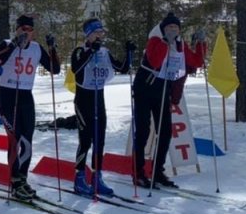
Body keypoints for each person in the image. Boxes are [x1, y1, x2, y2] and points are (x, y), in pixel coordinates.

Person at [0, 14, 61, 201]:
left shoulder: (36, 48)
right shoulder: (7, 44)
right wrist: (14, 45)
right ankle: (14, 183)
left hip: (26, 97)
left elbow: (55, 68)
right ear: (17, 30)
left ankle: (22, 179)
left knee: (27, 141)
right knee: (14, 140)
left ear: (33, 32)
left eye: (29, 30)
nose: (26, 33)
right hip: (7, 97)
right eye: (23, 29)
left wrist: (52, 48)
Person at [131, 12, 207, 188]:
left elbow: (196, 62)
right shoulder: (155, 40)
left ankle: (158, 170)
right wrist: (166, 42)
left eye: (176, 27)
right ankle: (139, 171)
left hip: (163, 89)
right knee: (143, 130)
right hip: (145, 87)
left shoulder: (180, 44)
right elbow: (155, 61)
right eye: (169, 27)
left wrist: (201, 44)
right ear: (163, 29)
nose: (173, 30)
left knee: (165, 132)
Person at [70, 18, 133, 197]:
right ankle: (79, 178)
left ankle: (97, 177)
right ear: (88, 35)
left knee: (99, 140)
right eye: (97, 33)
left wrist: (129, 53)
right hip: (83, 101)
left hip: (99, 100)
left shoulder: (104, 52)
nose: (100, 36)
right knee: (85, 140)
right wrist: (90, 52)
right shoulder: (79, 50)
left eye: (101, 33)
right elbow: (76, 68)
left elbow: (122, 68)